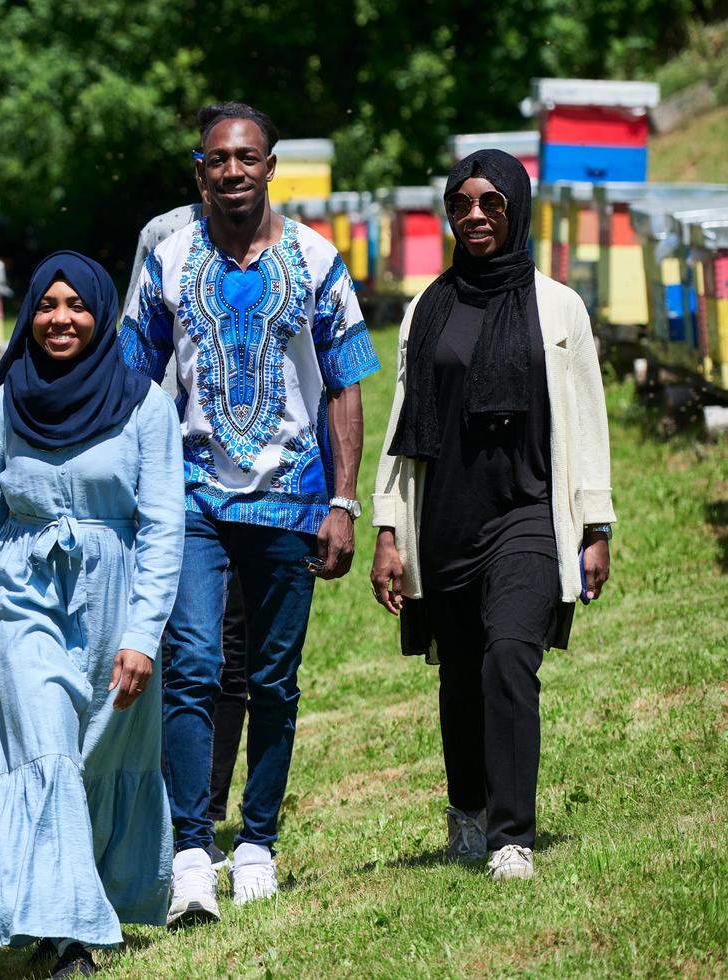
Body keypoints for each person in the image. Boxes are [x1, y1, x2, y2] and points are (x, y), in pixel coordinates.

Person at [120, 101, 380, 923]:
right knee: (190, 668)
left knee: (271, 678)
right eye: (216, 160)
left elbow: (346, 383)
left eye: (246, 158)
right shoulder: (167, 257)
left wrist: (341, 503)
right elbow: (129, 383)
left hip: (291, 497)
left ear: (270, 166)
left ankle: (257, 841)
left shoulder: (315, 258)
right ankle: (191, 852)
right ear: (198, 172)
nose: (231, 171)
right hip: (188, 496)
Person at [370, 149, 615, 882]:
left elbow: (589, 418)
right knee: (461, 678)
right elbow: (402, 424)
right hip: (445, 516)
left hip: (529, 511)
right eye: (460, 204)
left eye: (489, 203)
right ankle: (467, 811)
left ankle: (512, 834)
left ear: (515, 209)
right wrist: (388, 528)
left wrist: (595, 524)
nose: (473, 215)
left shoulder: (558, 306)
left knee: (510, 654)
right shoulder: (428, 305)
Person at [0, 251, 182, 978]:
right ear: (27, 316)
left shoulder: (144, 403)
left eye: (76, 305)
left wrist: (142, 634)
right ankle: (67, 938)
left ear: (101, 313)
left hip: (115, 599)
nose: (60, 319)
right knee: (46, 753)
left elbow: (164, 527)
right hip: (18, 602)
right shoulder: (0, 407)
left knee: (93, 758)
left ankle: (68, 903)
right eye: (46, 305)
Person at [127, 201, 253, 872]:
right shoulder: (162, 233)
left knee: (233, 651)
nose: (230, 174)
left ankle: (206, 804)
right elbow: (136, 352)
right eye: (215, 159)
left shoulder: (280, 237)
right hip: (178, 468)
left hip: (261, 476)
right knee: (186, 648)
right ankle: (178, 813)